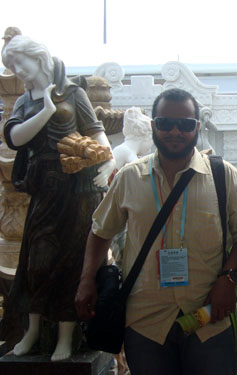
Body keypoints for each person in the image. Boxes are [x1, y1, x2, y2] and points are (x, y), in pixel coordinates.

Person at [75, 88, 237, 375]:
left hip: (207, 316)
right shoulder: (130, 177)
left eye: (186, 124)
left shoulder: (223, 176)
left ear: (197, 127)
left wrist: (228, 281)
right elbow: (99, 231)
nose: (175, 131)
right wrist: (86, 281)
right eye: (166, 123)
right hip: (146, 322)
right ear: (154, 126)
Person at [1, 35, 115, 361]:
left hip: (76, 189)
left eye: (19, 62)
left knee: (72, 262)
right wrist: (47, 108)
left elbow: (96, 131)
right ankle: (32, 331)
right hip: (44, 189)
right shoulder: (26, 101)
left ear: (38, 58)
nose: (17, 70)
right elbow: (14, 137)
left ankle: (66, 336)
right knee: (36, 262)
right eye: (11, 66)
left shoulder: (74, 93)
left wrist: (107, 161)